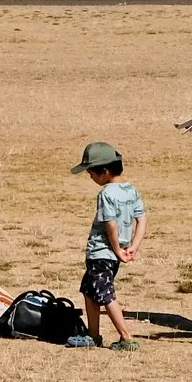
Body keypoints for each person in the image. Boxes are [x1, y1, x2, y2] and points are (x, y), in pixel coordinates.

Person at [65, 142, 147, 351]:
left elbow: (110, 224)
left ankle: (126, 337)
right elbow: (142, 218)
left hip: (102, 252)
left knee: (105, 293)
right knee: (89, 290)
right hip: (114, 254)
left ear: (105, 171)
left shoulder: (106, 194)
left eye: (91, 172)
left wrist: (117, 249)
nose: (90, 177)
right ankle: (93, 335)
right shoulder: (130, 190)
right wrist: (133, 246)